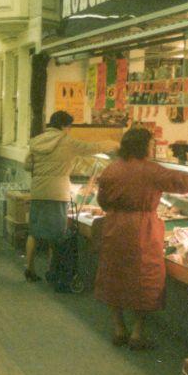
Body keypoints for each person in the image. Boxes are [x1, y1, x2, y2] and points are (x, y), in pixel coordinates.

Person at [94, 127, 188, 350]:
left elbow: (103, 202)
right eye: (151, 144)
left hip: (114, 227)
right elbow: (186, 183)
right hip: (142, 231)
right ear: (144, 146)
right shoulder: (151, 170)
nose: (153, 148)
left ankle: (118, 328)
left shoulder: (111, 170)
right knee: (144, 279)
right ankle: (137, 333)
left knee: (113, 276)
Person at [23, 110, 118, 292]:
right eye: (69, 127)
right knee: (57, 235)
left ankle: (29, 268)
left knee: (34, 232)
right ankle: (54, 271)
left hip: (38, 190)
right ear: (65, 126)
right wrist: (113, 144)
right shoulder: (67, 141)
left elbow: (27, 165)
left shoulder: (36, 141)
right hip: (57, 193)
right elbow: (91, 148)